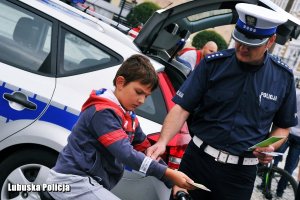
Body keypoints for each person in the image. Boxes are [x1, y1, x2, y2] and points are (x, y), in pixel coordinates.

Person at [146, 3, 298, 200]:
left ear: (270, 41)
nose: (242, 47)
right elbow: (182, 108)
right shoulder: (212, 65)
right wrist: (163, 142)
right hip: (197, 163)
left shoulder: (283, 77)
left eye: (251, 44)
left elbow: (283, 127)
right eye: (239, 40)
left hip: (239, 177)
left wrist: (271, 146)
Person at [46, 54, 195, 200]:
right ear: (120, 82)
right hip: (73, 182)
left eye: (147, 96)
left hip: (90, 183)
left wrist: (173, 180)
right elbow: (126, 154)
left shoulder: (128, 115)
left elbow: (145, 149)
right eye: (139, 92)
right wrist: (168, 174)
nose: (142, 100)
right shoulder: (103, 112)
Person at [273, 85, 300, 197]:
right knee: (289, 167)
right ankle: (280, 191)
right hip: (298, 137)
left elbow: (287, 111)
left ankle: (265, 181)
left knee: (274, 155)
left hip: (288, 131)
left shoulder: (297, 95)